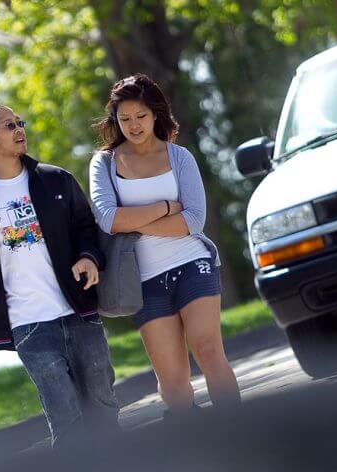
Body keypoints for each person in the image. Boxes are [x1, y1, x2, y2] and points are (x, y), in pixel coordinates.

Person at [0, 105, 119, 448]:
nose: (20, 129)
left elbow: (86, 228)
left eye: (19, 122)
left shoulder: (56, 180)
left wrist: (87, 257)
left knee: (103, 405)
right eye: (9, 126)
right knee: (66, 419)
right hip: (28, 326)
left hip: (78, 311)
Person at [89, 74, 241, 417]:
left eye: (140, 116)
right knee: (173, 385)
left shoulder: (180, 156)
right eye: (124, 119)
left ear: (156, 114)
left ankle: (240, 429)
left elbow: (193, 221)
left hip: (192, 263)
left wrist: (136, 221)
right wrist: (165, 208)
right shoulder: (105, 163)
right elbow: (108, 219)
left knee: (208, 350)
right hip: (143, 281)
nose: (134, 125)